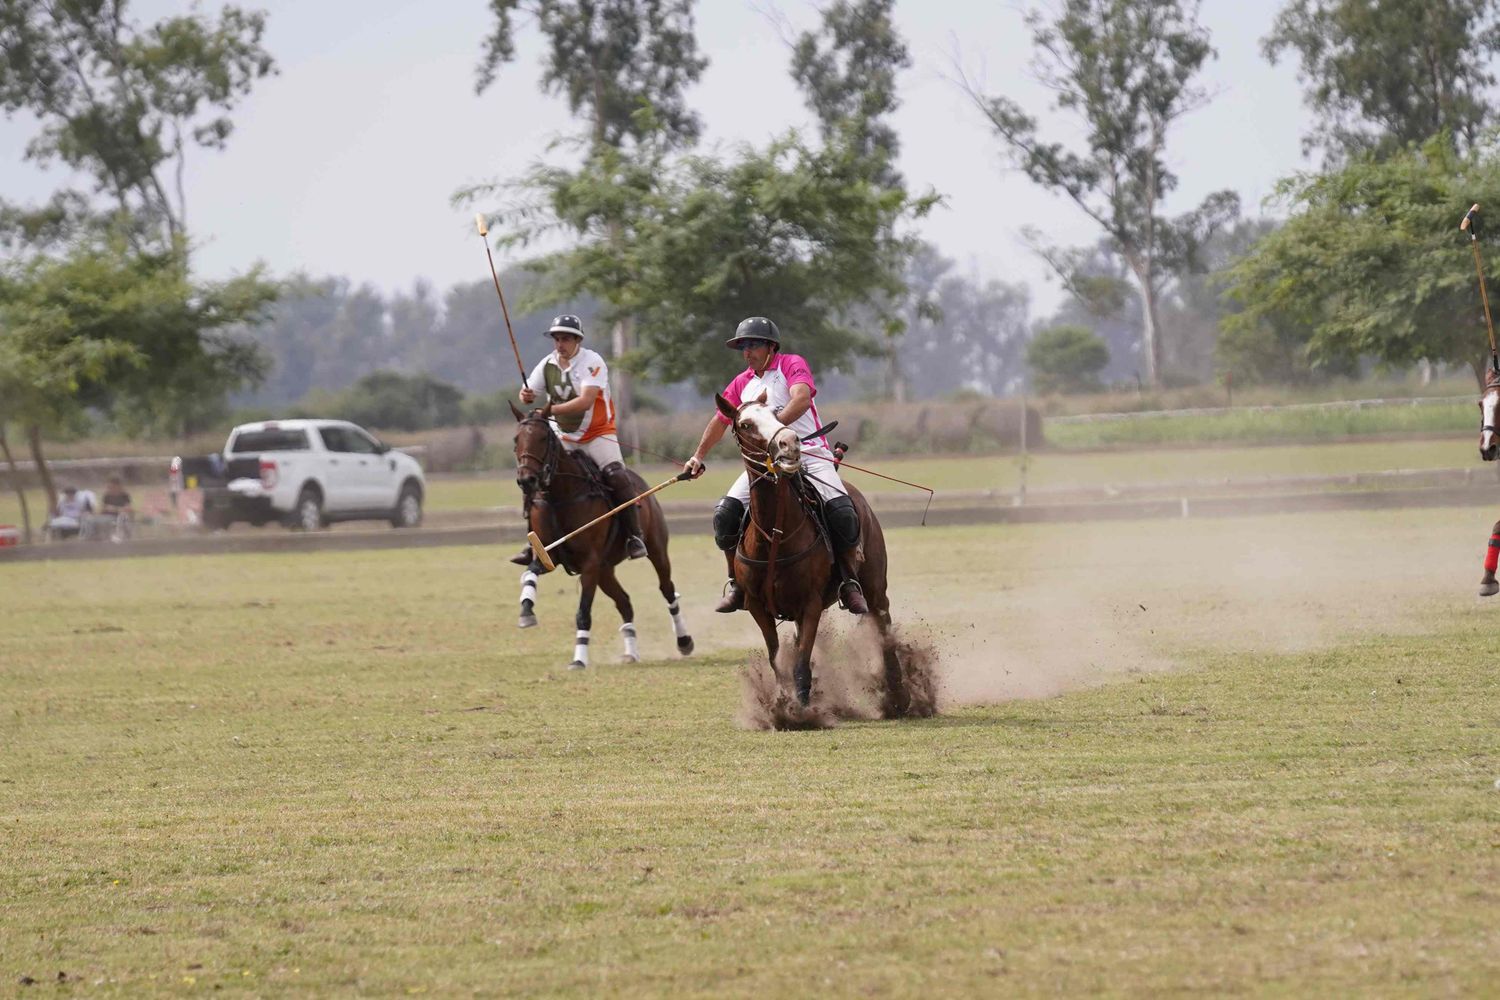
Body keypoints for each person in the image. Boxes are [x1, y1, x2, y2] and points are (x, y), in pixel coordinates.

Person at [682, 316, 869, 616]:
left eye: (754, 344)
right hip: (764, 465)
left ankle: (848, 581)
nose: (747, 352)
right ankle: (737, 584)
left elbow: (802, 398)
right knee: (725, 514)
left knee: (843, 511)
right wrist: (698, 456)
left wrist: (773, 429)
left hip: (807, 453)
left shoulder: (790, 364)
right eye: (743, 346)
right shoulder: (741, 383)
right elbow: (720, 422)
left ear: (771, 346)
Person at [512, 313, 647, 563]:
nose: (560, 344)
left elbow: (585, 401)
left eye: (565, 339)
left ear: (577, 340)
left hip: (598, 433)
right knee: (534, 476)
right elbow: (528, 393)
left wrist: (548, 411)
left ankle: (634, 535)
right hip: (564, 435)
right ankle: (533, 542)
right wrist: (526, 395)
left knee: (617, 476)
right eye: (556, 339)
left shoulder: (592, 361)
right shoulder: (547, 364)